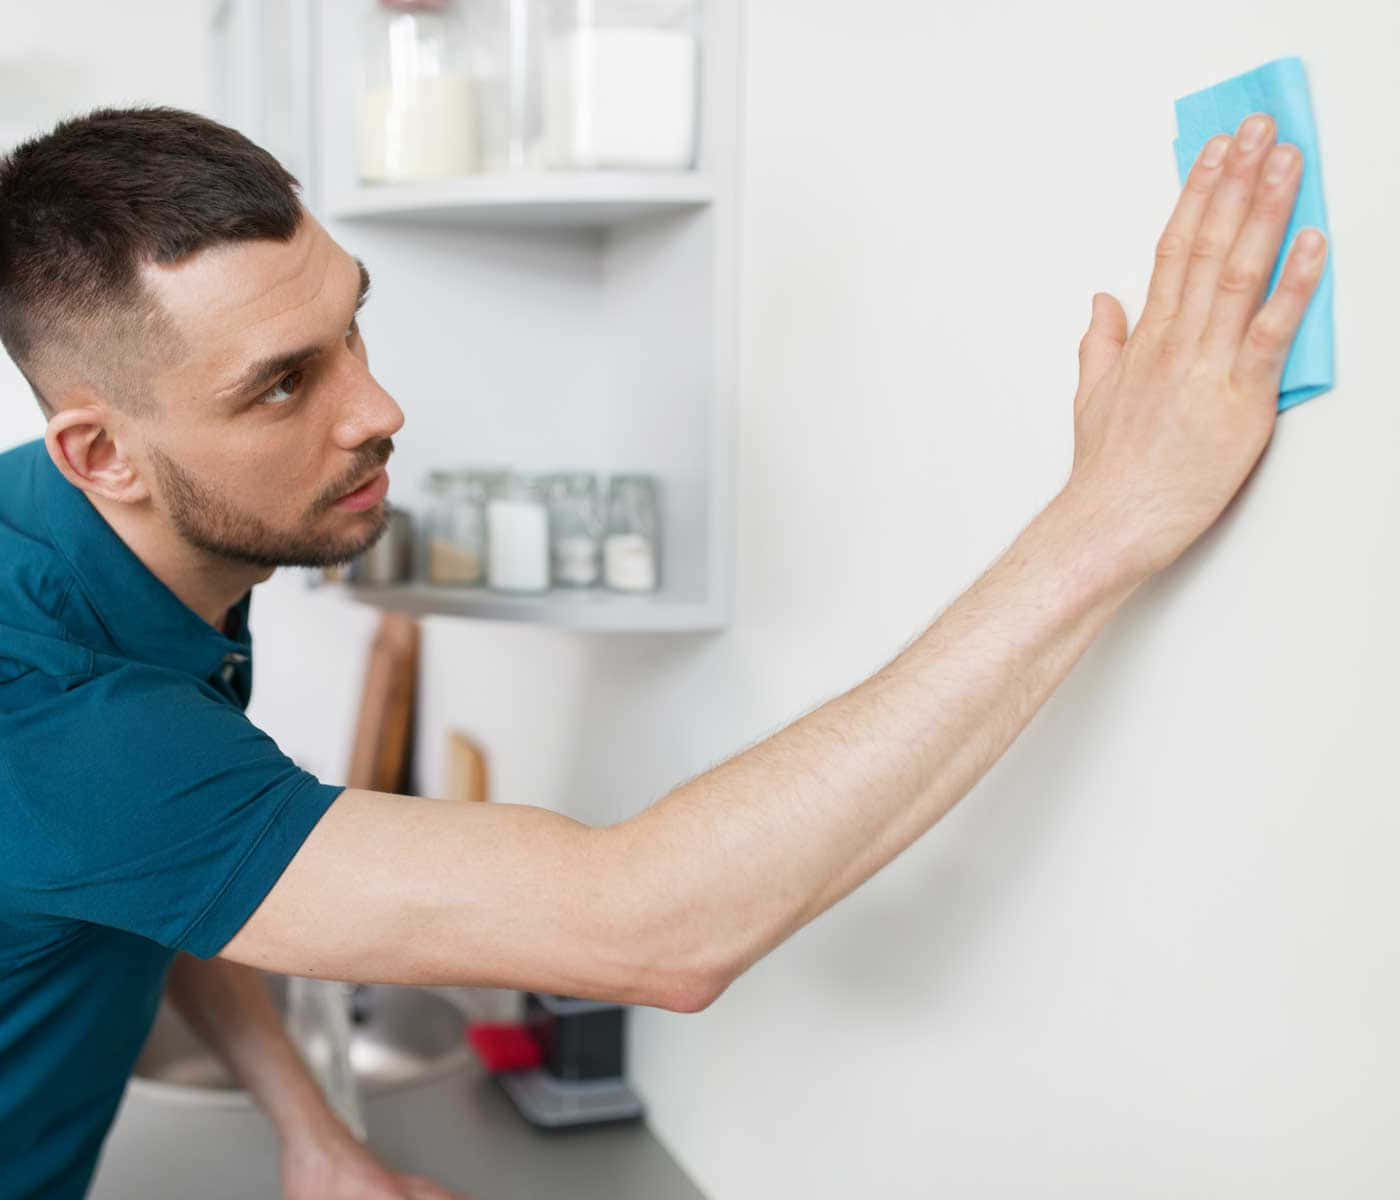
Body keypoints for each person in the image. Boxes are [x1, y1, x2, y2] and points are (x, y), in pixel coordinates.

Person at [0, 104, 1326, 1200]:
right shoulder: (56, 711)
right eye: (285, 382)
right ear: (101, 452)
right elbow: (653, 927)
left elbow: (182, 869)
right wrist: (1111, 515)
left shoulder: (99, 535)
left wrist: (306, 1126)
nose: (379, 408)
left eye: (354, 323)